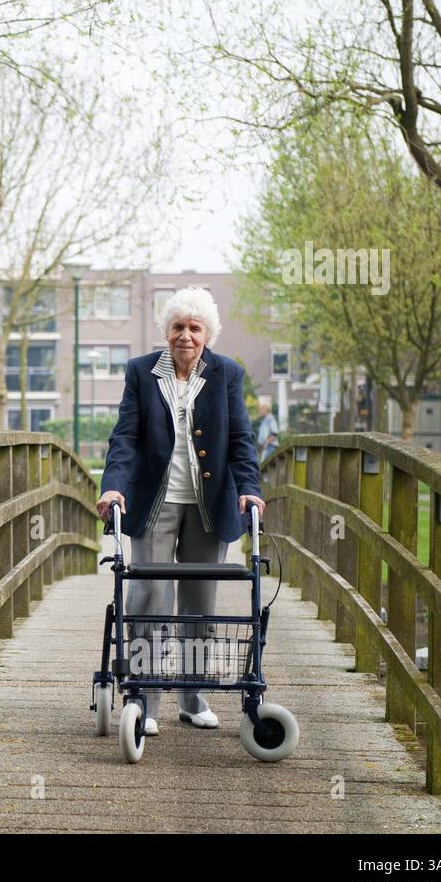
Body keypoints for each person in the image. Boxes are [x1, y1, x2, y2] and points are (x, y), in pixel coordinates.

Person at [96, 286, 265, 735]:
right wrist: (113, 488)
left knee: (200, 603)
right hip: (156, 500)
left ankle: (192, 695)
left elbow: (241, 441)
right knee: (149, 597)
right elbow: (126, 438)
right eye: (178, 327)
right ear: (166, 331)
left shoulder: (226, 373)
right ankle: (144, 699)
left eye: (194, 328)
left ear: (207, 334)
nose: (185, 336)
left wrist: (250, 489)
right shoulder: (141, 372)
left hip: (209, 505)